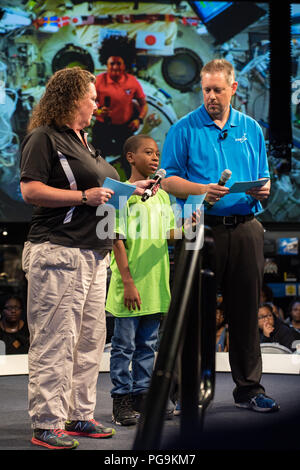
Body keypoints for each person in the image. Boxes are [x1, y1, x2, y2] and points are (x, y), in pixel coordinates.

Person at [19, 67, 155, 450]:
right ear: (71, 98)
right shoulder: (45, 138)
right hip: (58, 251)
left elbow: (103, 190)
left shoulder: (85, 142)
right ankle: (46, 423)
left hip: (93, 257)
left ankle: (78, 415)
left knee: (90, 342)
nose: (98, 103)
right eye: (92, 97)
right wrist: (84, 198)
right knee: (55, 341)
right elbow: (30, 190)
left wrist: (132, 188)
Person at [161, 58, 279, 413]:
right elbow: (168, 179)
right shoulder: (183, 128)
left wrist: (264, 189)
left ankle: (249, 390)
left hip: (246, 229)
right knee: (194, 314)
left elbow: (263, 175)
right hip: (200, 229)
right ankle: (186, 392)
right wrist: (202, 190)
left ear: (233, 89)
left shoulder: (251, 128)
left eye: (217, 89)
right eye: (206, 89)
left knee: (245, 312)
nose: (211, 96)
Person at [105, 134, 176, 426]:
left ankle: (142, 394)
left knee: (148, 345)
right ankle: (121, 398)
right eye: (148, 152)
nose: (155, 158)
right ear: (131, 157)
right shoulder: (120, 193)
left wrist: (190, 223)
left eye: (157, 153)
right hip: (129, 285)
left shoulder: (162, 195)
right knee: (124, 346)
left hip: (156, 285)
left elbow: (170, 232)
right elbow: (114, 238)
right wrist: (128, 281)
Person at [92, 35, 148, 179]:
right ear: (106, 64)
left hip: (124, 128)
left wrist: (139, 120)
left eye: (119, 63)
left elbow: (144, 105)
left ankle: (131, 189)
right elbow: (87, 104)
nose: (115, 67)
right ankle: (98, 187)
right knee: (96, 161)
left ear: (125, 65)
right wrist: (97, 111)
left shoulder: (132, 82)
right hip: (103, 127)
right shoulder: (98, 81)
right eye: (112, 63)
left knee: (129, 161)